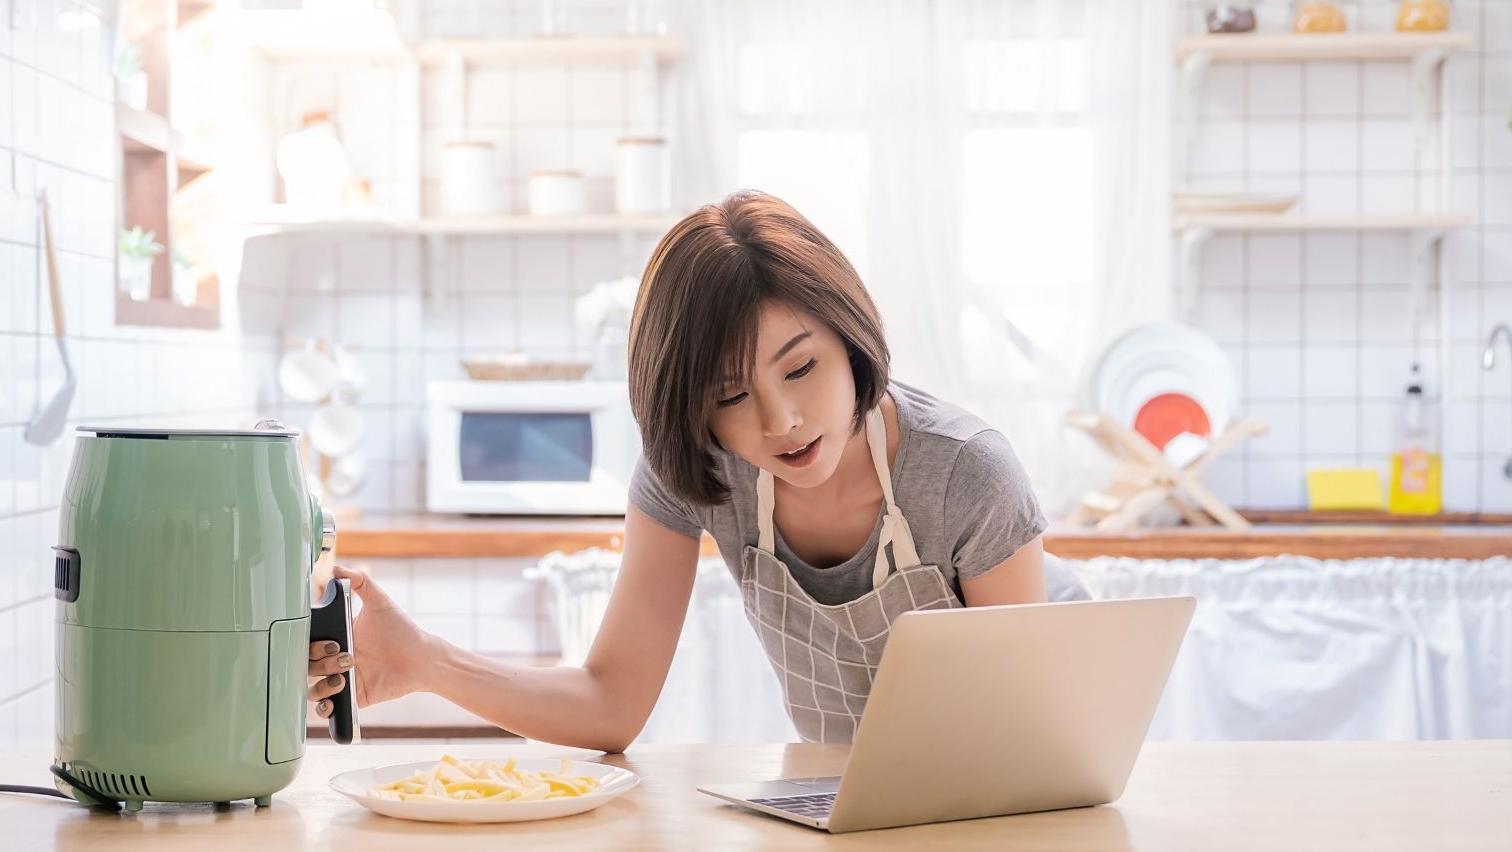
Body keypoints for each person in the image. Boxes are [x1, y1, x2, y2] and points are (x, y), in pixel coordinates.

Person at [309, 190, 1087, 750]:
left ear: (850, 338)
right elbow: (611, 703)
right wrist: (426, 662)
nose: (780, 419)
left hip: (998, 793)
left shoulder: (966, 473)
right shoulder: (696, 471)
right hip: (840, 798)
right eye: (732, 395)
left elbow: (1020, 745)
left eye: (802, 367)